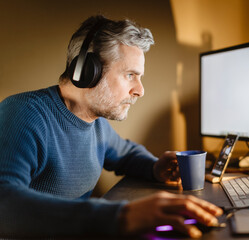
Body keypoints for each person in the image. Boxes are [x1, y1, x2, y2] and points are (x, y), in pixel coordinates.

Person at [0, 15, 222, 238]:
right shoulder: (23, 114)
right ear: (87, 71)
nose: (140, 90)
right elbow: (4, 203)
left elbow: (126, 153)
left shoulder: (96, 125)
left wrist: (155, 167)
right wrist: (120, 216)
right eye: (130, 75)